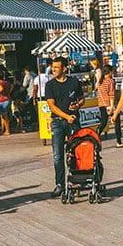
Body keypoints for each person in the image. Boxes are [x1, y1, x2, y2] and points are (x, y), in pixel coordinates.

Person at [46, 55, 85, 197]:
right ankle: (59, 184)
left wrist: (78, 105)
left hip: (73, 120)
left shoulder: (74, 82)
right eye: (53, 67)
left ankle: (76, 180)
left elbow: (82, 99)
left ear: (64, 68)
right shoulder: (50, 85)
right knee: (57, 155)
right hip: (57, 122)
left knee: (76, 151)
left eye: (56, 67)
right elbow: (52, 106)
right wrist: (66, 116)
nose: (53, 69)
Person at [94, 63, 114, 136]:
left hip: (101, 104)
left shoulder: (100, 81)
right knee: (116, 121)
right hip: (108, 104)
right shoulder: (110, 81)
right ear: (110, 72)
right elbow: (111, 94)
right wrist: (112, 106)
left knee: (103, 122)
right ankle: (119, 141)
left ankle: (96, 134)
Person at [0, 68, 12, 136]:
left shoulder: (0, 83)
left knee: (4, 116)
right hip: (7, 99)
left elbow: (1, 89)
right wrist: (8, 93)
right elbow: (11, 87)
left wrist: (1, 94)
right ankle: (3, 130)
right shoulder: (7, 83)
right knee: (3, 116)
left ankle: (7, 130)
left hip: (2, 100)